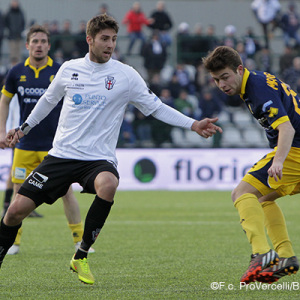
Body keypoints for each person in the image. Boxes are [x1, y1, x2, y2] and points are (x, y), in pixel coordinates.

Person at [0, 14, 222, 285]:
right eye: (104, 39)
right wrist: (22, 129)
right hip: (61, 155)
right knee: (14, 212)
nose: (110, 44)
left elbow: (154, 107)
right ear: (89, 39)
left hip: (98, 159)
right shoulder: (69, 69)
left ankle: (80, 255)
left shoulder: (126, 75)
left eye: (114, 39)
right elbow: (47, 101)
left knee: (108, 184)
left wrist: (193, 124)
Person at [203, 45, 300, 284]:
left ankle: (261, 253)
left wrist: (278, 160)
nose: (221, 84)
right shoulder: (255, 81)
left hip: (295, 149)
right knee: (263, 199)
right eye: (216, 80)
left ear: (239, 69)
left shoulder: (256, 88)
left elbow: (286, 128)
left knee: (242, 193)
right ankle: (285, 256)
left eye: (225, 77)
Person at [0, 24, 94, 255]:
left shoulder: (62, 71)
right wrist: (2, 131)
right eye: (35, 41)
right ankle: (14, 242)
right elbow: (4, 101)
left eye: (43, 41)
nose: (39, 45)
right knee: (18, 190)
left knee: (66, 192)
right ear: (27, 45)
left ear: (49, 46)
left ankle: (79, 241)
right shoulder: (16, 72)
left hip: (56, 146)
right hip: (24, 146)